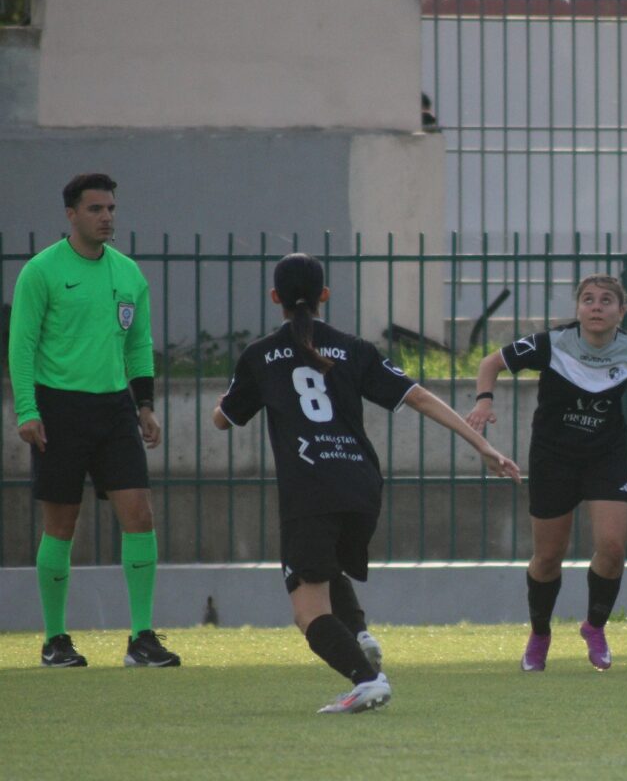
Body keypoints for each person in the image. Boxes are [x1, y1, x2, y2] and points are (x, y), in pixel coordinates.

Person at [213, 253, 521, 713]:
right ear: (325, 295)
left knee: (308, 612)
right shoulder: (353, 348)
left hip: (310, 488)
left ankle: (367, 679)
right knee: (327, 567)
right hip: (361, 485)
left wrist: (226, 402)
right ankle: (357, 634)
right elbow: (418, 396)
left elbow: (224, 419)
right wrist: (481, 445)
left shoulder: (260, 355)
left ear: (275, 297)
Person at [465, 274, 627, 672]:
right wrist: (483, 401)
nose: (596, 307)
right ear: (578, 308)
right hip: (553, 458)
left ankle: (594, 627)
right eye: (588, 299)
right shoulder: (551, 343)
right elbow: (490, 363)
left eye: (606, 300)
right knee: (549, 556)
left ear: (622, 310)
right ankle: (540, 634)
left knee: (612, 548)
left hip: (606, 456)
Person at [8, 173, 179, 669]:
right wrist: (27, 410)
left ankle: (141, 638)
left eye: (111, 209)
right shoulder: (42, 271)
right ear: (71, 214)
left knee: (139, 514)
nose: (106, 217)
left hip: (114, 410)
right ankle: (55, 640)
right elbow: (21, 345)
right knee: (61, 525)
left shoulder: (128, 274)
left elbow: (139, 343)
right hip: (58, 409)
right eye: (95, 209)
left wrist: (144, 405)